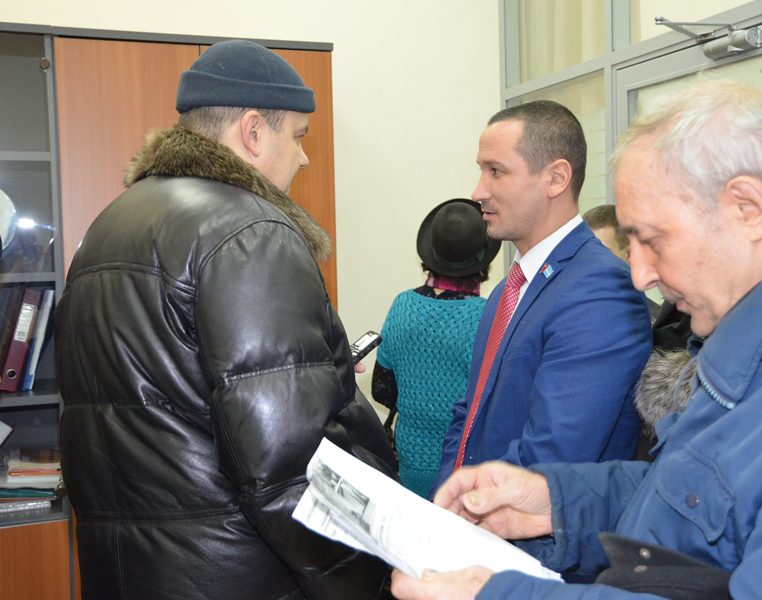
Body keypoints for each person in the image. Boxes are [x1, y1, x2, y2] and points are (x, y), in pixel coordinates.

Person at [390, 79, 762, 600]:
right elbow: (687, 496)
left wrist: (499, 595)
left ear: (748, 209)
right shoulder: (754, 340)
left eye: (652, 239)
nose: (640, 275)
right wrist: (559, 500)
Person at [55, 40, 397, 600]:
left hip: (129, 574)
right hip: (237, 575)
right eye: (298, 136)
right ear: (254, 131)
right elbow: (289, 468)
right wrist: (370, 580)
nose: (304, 158)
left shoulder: (109, 225)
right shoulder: (250, 233)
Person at [430, 101, 652, 497]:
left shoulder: (601, 291)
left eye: (496, 171)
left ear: (556, 178)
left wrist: (467, 507)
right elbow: (470, 413)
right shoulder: (509, 288)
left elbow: (555, 453)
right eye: (481, 170)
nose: (478, 192)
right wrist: (443, 500)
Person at [371, 198, 501, 499]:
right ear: (482, 260)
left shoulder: (402, 305)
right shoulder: (487, 315)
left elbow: (381, 391)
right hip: (464, 470)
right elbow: (495, 403)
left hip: (409, 465)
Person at [583, 204, 660, 321]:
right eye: (583, 252)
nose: (589, 261)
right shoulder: (563, 311)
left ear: (629, 255)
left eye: (602, 252)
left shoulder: (653, 323)